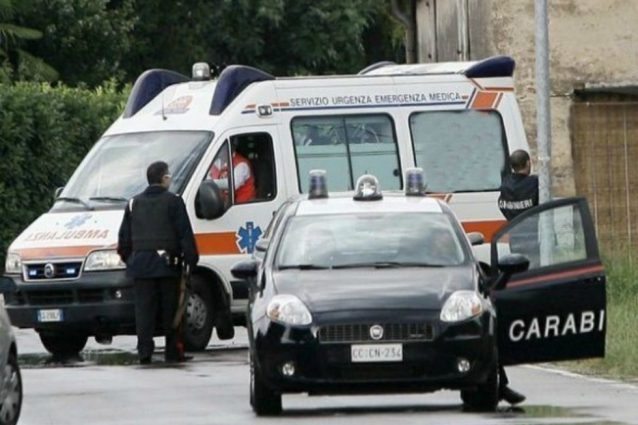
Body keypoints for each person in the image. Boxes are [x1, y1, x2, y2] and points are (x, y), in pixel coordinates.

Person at [117, 161, 199, 364]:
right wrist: (191, 260)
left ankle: (144, 352)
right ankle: (173, 351)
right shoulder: (174, 202)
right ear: (164, 178)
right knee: (172, 312)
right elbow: (184, 234)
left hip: (141, 268)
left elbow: (124, 240)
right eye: (169, 175)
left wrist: (131, 260)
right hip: (167, 267)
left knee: (144, 313)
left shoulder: (133, 203)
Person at [495, 149, 539, 405]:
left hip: (516, 239)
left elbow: (502, 206)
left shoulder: (505, 186)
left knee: (517, 278)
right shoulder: (534, 184)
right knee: (535, 278)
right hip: (535, 239)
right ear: (528, 164)